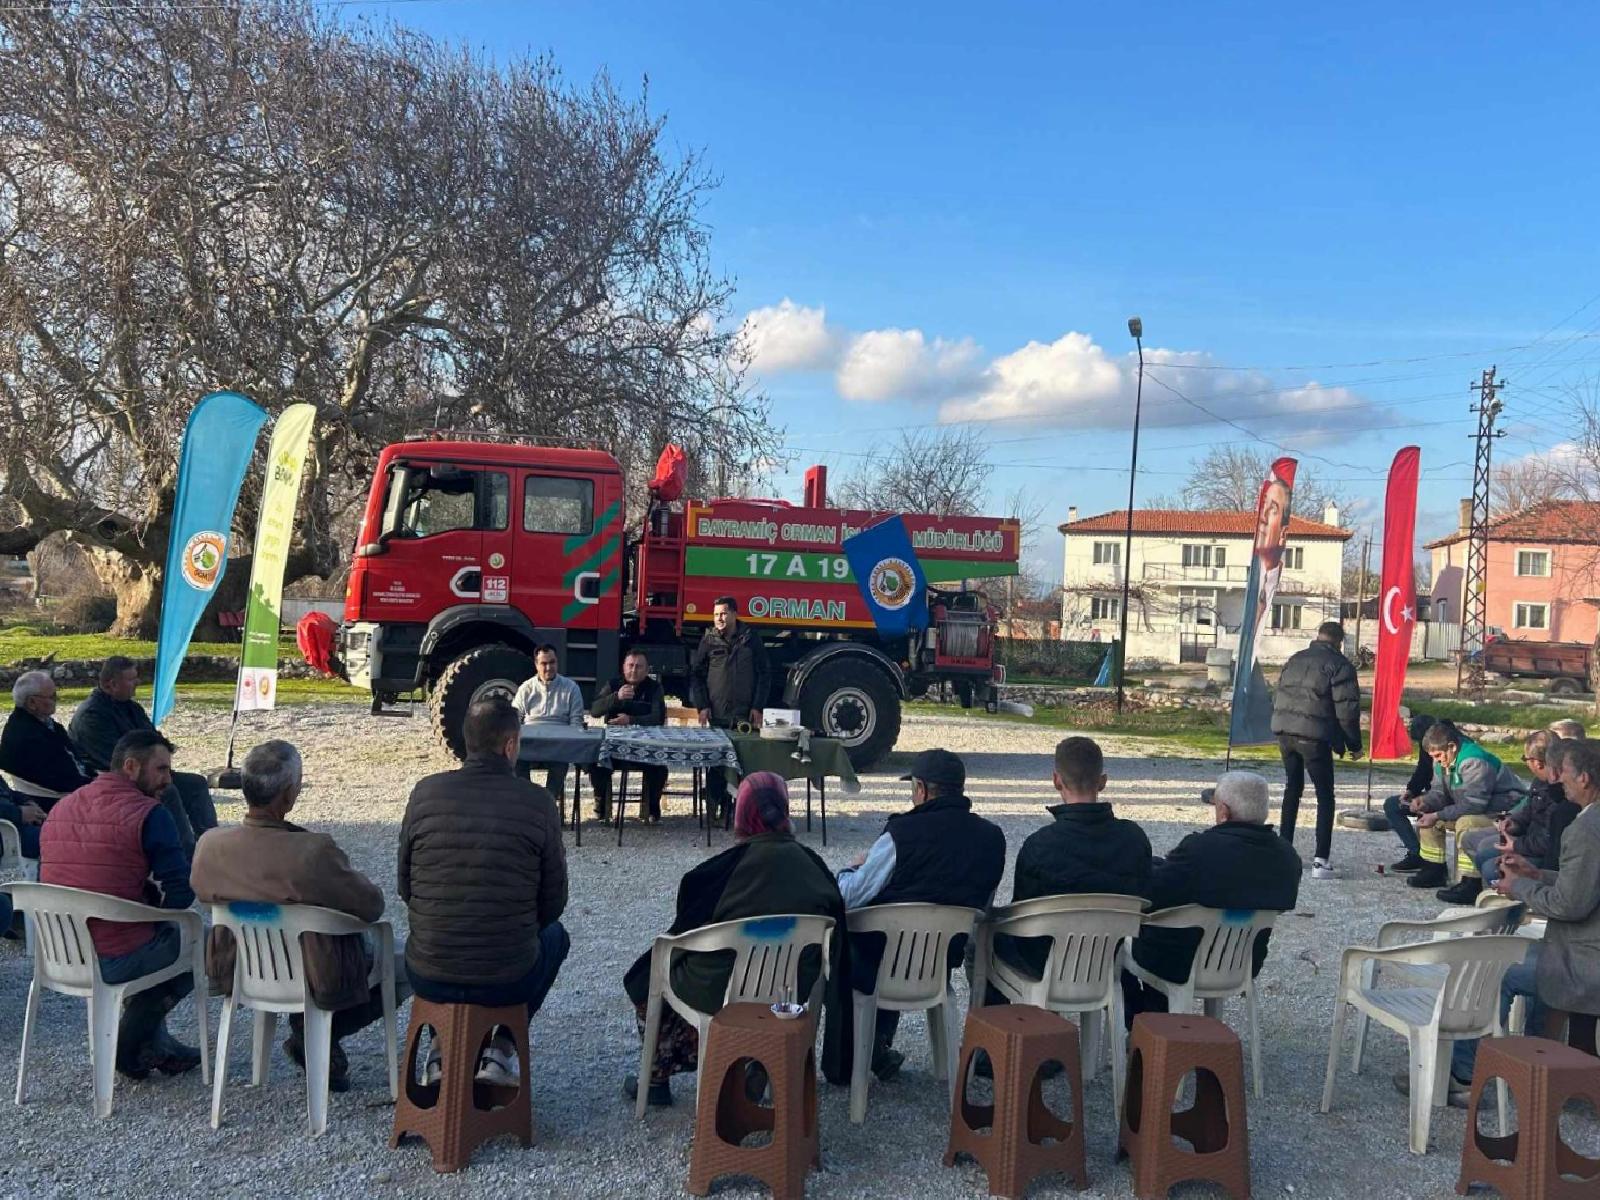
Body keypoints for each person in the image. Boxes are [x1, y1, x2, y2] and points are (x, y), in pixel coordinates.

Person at [191, 739, 407, 1092]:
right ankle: (320, 1029)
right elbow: (370, 906)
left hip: (241, 967)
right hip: (316, 974)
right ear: (289, 795)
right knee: (407, 962)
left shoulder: (210, 845)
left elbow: (201, 893)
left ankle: (310, 1032)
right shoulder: (312, 851)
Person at [622, 772, 846, 1108]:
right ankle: (752, 1061)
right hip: (790, 991)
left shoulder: (716, 873)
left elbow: (682, 933)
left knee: (647, 974)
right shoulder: (816, 868)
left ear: (742, 814)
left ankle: (656, 1078)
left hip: (719, 991)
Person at [400, 698, 569, 1085]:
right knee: (556, 938)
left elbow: (406, 886)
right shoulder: (537, 802)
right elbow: (553, 902)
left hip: (429, 970)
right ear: (510, 746)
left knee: (436, 933)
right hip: (508, 973)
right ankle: (502, 1047)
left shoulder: (425, 793)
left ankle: (440, 1047)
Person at [1441, 737, 1600, 1099]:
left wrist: (1517, 888)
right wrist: (1535, 874)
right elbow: (1586, 886)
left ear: (1586, 778)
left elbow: (1569, 905)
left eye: (1567, 774)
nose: (1559, 779)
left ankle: (1468, 1078)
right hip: (1586, 950)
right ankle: (1542, 1070)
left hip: (1587, 960)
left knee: (1494, 970)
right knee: (1519, 961)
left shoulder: (1587, 829)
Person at [833, 748, 1005, 1082]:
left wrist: (849, 868)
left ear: (922, 790)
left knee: (865, 931)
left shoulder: (901, 834)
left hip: (879, 965)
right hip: (941, 961)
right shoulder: (992, 838)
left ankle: (856, 1054)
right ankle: (880, 1044)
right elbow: (980, 910)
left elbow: (850, 897)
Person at [38, 730, 201, 1079]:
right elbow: (180, 892)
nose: (167, 780)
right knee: (201, 948)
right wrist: (155, 910)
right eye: (160, 770)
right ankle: (126, 1046)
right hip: (115, 954)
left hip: (61, 953)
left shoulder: (63, 806)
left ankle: (157, 1048)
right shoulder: (148, 814)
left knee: (148, 931)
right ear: (130, 766)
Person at [1123, 771, 1302, 1021]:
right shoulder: (1288, 858)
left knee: (1124, 939)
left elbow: (1151, 896)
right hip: (1242, 962)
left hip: (1182, 964)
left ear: (1224, 811)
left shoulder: (1200, 850)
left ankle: (1141, 1022)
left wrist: (1158, 866)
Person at [996, 736, 1152, 982]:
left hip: (1045, 964)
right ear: (1102, 782)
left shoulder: (1040, 845)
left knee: (985, 941)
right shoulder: (1134, 839)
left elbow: (1022, 911)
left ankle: (997, 1017)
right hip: (1106, 956)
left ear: (1056, 780)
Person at [69, 656, 218, 850]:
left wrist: (160, 761)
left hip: (146, 770)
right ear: (110, 684)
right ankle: (185, 853)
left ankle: (211, 845)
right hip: (115, 779)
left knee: (195, 783)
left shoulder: (130, 707)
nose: (137, 683)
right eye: (131, 679)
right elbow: (115, 762)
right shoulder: (92, 716)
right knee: (168, 790)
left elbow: (155, 740)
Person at [1270, 621, 1361, 881]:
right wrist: (1353, 744)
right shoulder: (1340, 665)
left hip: (1284, 731)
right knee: (1325, 796)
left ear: (1318, 636)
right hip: (1314, 737)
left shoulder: (1295, 658)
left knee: (1292, 789)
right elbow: (1347, 710)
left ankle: (1283, 852)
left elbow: (1279, 695)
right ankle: (1320, 861)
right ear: (1339, 641)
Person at [1401, 721, 1527, 900]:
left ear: (1452, 746)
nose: (1436, 761)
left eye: (1438, 756)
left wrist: (1437, 814)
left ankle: (1471, 882)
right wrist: (1425, 803)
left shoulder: (1474, 761)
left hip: (1505, 812)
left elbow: (1475, 805)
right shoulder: (1443, 759)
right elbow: (1439, 793)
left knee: (1466, 823)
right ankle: (1434, 869)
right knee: (1427, 819)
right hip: (1479, 808)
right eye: (1433, 757)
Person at [1461, 731, 1579, 890]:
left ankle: (1511, 900)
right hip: (1529, 841)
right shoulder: (1540, 782)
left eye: (1526, 759)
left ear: (1537, 763)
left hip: (1541, 853)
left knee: (1491, 866)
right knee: (1483, 853)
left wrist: (1517, 846)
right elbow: (1528, 810)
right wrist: (1515, 823)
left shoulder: (1560, 794)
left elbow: (1549, 840)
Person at [691, 597, 771, 822]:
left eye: (724, 613)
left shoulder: (750, 638)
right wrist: (702, 706)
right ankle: (715, 806)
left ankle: (739, 810)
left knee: (743, 763)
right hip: (717, 714)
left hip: (744, 715)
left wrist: (758, 706)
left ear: (735, 614)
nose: (719, 618)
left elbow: (764, 673)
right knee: (717, 765)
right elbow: (696, 675)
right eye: (716, 614)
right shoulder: (708, 639)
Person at [588, 648, 668, 823]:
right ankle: (601, 806)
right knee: (597, 764)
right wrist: (616, 698)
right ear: (623, 667)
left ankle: (652, 807)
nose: (634, 670)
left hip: (644, 747)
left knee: (660, 768)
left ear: (647, 670)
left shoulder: (654, 688)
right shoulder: (613, 684)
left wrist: (631, 719)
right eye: (630, 665)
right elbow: (594, 710)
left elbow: (658, 717)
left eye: (639, 666)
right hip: (614, 748)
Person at [1, 670, 94, 800]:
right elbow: (61, 778)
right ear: (32, 702)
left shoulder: (43, 723)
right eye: (52, 696)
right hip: (60, 800)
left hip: (77, 789)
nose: (57, 700)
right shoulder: (26, 735)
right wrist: (96, 785)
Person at [511, 644, 587, 797]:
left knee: (561, 764)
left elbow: (576, 723)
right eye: (544, 663)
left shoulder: (572, 688)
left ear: (557, 662)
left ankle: (548, 802)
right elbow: (514, 720)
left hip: (558, 747)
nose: (548, 668)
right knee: (516, 761)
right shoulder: (525, 688)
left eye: (552, 662)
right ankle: (529, 800)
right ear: (536, 665)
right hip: (529, 746)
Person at [1381, 713, 1438, 873]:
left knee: (1423, 806)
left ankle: (1431, 862)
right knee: (1392, 805)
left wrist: (1426, 799)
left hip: (1445, 798)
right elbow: (1423, 769)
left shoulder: (1442, 744)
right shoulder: (1426, 743)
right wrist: (1411, 790)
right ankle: (1416, 853)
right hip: (1432, 794)